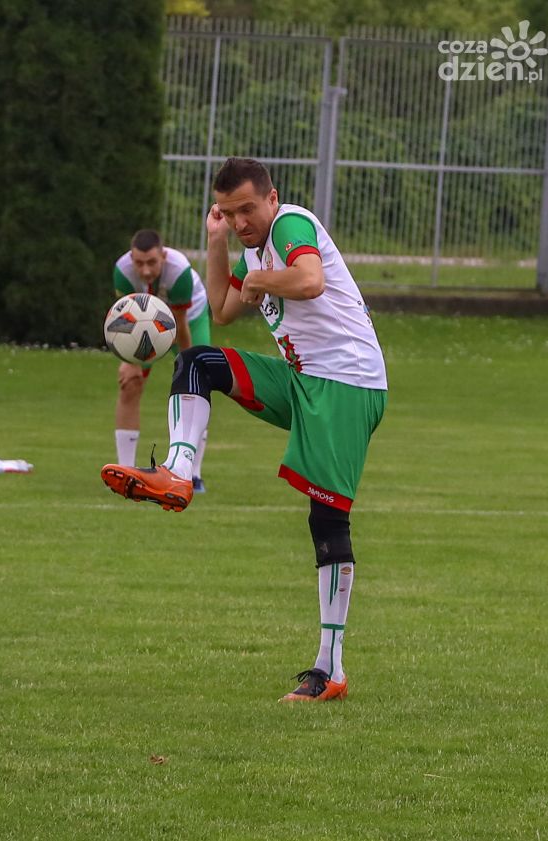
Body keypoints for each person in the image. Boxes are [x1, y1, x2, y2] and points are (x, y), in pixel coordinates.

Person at [101, 158, 387, 702]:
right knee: (198, 361)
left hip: (348, 384)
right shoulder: (250, 247)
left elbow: (310, 280)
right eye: (228, 213)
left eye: (246, 210)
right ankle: (177, 472)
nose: (239, 222)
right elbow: (223, 309)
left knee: (327, 518)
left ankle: (330, 670)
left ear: (272, 198)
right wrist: (216, 243)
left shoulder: (290, 224)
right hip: (303, 378)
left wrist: (259, 278)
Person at [112, 230, 213, 491]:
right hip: (143, 326)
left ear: (163, 256)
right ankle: (125, 472)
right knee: (130, 383)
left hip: (189, 319)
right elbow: (123, 322)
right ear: (131, 259)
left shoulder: (179, 272)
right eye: (139, 263)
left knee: (195, 391)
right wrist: (130, 361)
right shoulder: (122, 271)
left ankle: (192, 475)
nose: (145, 270)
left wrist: (189, 368)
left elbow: (179, 326)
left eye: (152, 262)